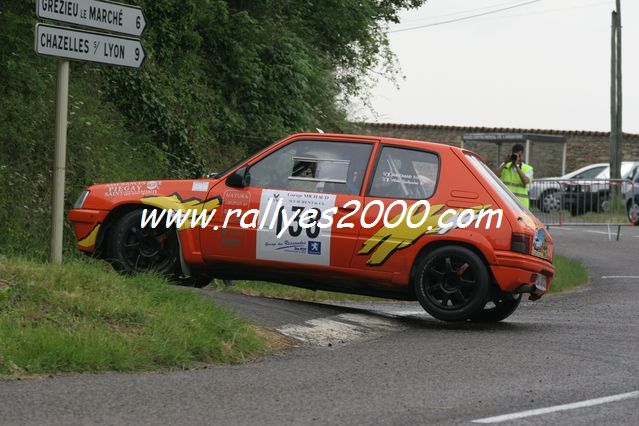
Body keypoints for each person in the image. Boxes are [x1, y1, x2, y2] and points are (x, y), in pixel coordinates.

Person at [495, 144, 534, 208]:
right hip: (505, 201)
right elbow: (495, 176)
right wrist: (505, 162)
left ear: (522, 155)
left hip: (521, 204)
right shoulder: (505, 165)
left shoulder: (528, 168)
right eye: (516, 155)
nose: (517, 157)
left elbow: (526, 181)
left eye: (519, 155)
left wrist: (516, 166)